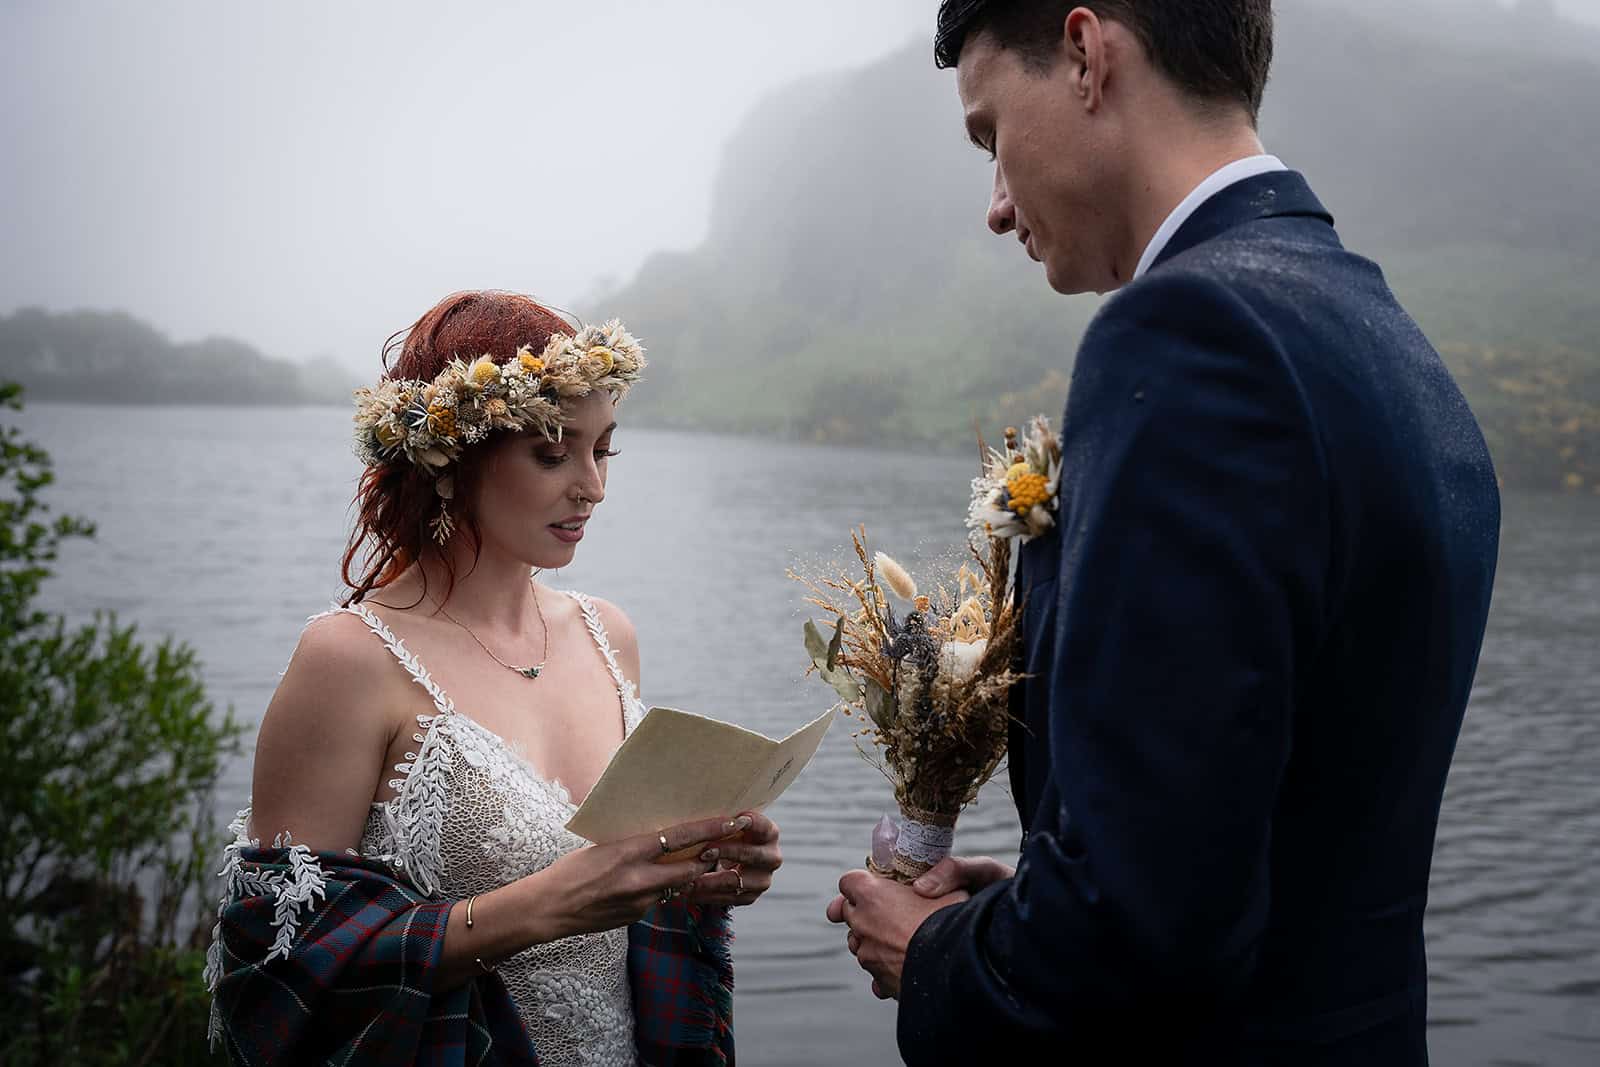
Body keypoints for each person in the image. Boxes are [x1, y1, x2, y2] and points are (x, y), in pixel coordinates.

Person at [826, 2, 1501, 1063]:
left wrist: (939, 954)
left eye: (991, 135)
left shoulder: (1192, 336)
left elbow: (1139, 932)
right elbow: (1254, 838)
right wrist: (1027, 909)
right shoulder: (1387, 338)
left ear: (1086, 55)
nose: (994, 205)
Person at [207, 291, 781, 1066]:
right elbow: (280, 967)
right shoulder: (350, 660)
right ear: (449, 460)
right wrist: (546, 905)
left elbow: (629, 900)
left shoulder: (609, 635)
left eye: (603, 450)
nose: (592, 486)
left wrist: (701, 867)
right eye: (552, 453)